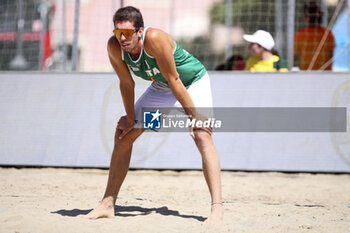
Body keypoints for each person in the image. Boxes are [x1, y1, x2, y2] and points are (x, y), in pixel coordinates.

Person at [85, 6, 223, 225]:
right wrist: (131, 119)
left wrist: (193, 116)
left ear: (139, 31)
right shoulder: (114, 46)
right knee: (124, 133)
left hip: (191, 81)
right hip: (163, 86)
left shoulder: (155, 38)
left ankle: (217, 209)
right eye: (117, 32)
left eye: (127, 33)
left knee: (202, 135)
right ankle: (108, 204)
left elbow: (176, 81)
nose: (122, 38)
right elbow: (126, 83)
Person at [294, 1, 335, 71]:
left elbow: (294, 57)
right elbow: (331, 55)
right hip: (325, 73)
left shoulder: (300, 35)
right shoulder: (328, 34)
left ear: (306, 17)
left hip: (306, 73)